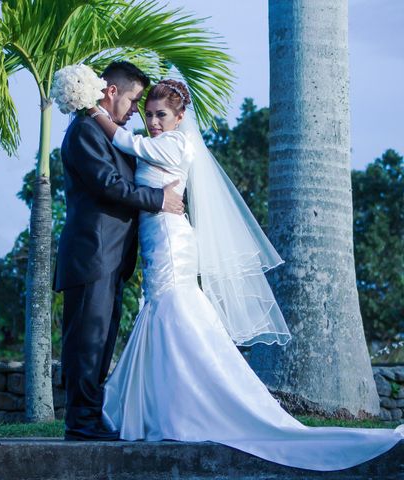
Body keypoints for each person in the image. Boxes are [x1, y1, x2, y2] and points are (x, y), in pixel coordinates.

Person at [87, 79, 404, 471]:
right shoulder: (164, 140)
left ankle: (186, 407)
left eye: (161, 115)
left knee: (173, 309)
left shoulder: (173, 143)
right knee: (163, 309)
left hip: (170, 240)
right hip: (159, 237)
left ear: (180, 117)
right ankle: (163, 406)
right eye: (149, 114)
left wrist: (95, 111)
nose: (152, 121)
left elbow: (128, 144)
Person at [53, 62, 186, 441]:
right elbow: (109, 185)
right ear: (111, 91)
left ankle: (91, 419)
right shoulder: (84, 132)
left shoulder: (111, 135)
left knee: (101, 340)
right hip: (92, 256)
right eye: (133, 99)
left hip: (111, 260)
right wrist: (159, 198)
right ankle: (81, 423)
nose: (135, 111)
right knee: (87, 342)